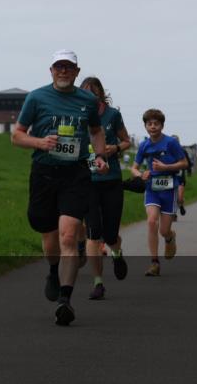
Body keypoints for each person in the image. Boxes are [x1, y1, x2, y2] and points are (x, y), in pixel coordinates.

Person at [12, 50, 108, 326]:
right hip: (43, 172)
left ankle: (65, 300)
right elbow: (16, 135)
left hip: (75, 174)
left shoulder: (87, 101)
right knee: (49, 238)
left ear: (77, 72)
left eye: (69, 67)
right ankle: (53, 270)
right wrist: (40, 143)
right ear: (51, 70)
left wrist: (99, 156)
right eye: (59, 67)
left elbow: (96, 130)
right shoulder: (37, 97)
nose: (63, 71)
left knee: (68, 236)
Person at [79, 77, 131, 300]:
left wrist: (115, 148)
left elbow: (127, 141)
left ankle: (117, 254)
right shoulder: (78, 116)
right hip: (88, 182)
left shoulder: (112, 115)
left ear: (101, 93)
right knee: (93, 233)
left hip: (111, 181)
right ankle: (98, 282)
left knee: (110, 235)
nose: (90, 95)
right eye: (86, 92)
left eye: (94, 92)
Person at [131, 109, 187, 276]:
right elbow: (134, 168)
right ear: (145, 126)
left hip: (169, 190)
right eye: (149, 124)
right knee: (151, 221)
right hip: (152, 188)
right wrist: (141, 175)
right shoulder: (144, 145)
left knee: (163, 230)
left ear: (162, 125)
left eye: (156, 123)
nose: (153, 127)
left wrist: (166, 168)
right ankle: (154, 262)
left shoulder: (171, 143)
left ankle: (170, 237)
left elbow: (184, 163)